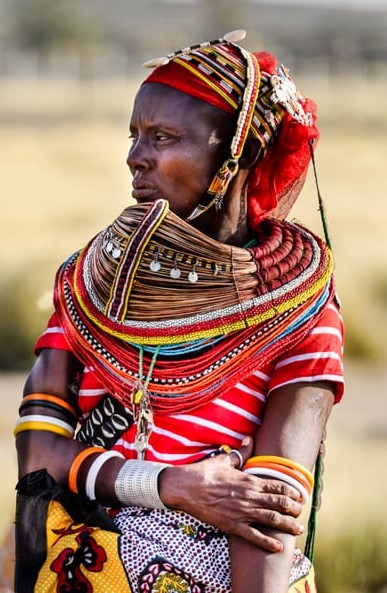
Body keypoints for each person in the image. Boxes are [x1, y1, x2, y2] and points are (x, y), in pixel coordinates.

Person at [14, 30, 344, 593]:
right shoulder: (88, 285)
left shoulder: (300, 310)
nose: (134, 157)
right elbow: (37, 455)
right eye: (134, 135)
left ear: (233, 156)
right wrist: (170, 485)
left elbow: (269, 503)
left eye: (163, 137)